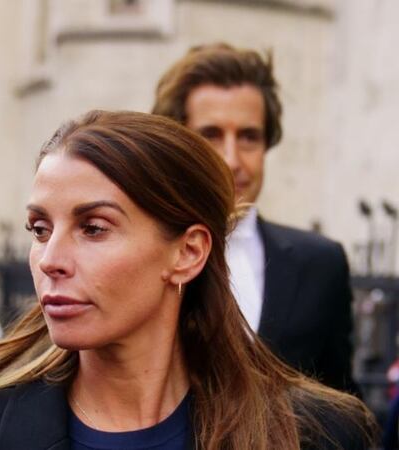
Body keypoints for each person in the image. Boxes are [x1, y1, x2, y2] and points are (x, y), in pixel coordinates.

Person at [0, 111, 375, 450]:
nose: (51, 259)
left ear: (188, 252)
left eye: (93, 228)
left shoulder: (318, 434)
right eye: (40, 229)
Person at [152, 43, 358, 393]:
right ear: (177, 141)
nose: (231, 160)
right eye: (211, 135)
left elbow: (343, 407)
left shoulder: (321, 263)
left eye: (248, 137)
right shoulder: (138, 254)